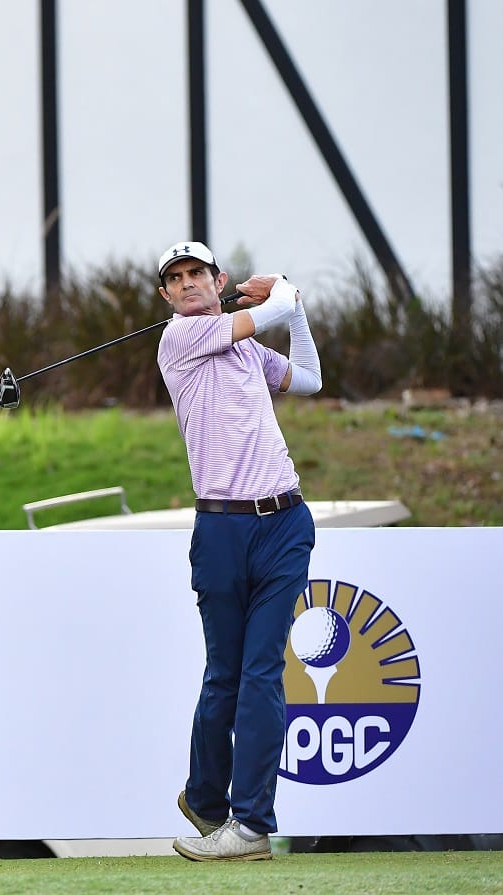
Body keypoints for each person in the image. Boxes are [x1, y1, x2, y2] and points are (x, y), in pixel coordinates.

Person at [154, 241, 322, 862]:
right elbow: (268, 309)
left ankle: (249, 826)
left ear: (217, 279)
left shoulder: (245, 346)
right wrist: (283, 293)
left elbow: (307, 379)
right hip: (221, 531)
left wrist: (293, 309)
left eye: (197, 272)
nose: (188, 282)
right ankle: (205, 797)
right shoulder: (181, 340)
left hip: (283, 522)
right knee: (224, 674)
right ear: (167, 296)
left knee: (258, 675)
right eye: (176, 278)